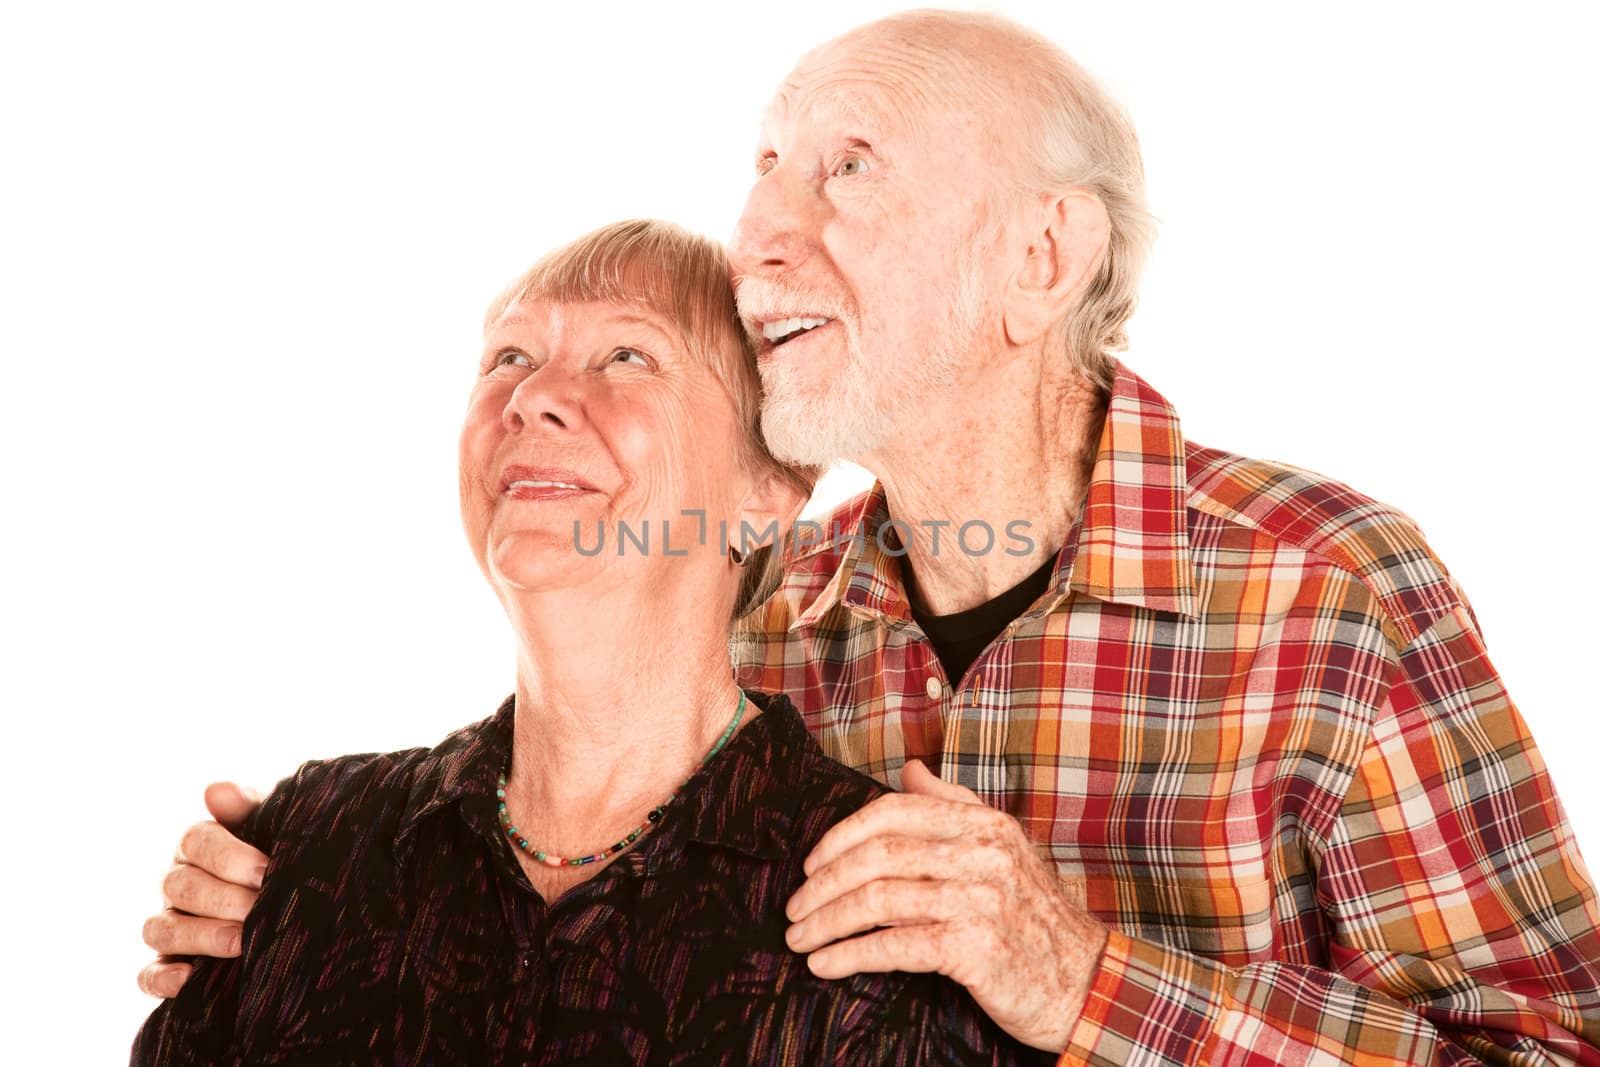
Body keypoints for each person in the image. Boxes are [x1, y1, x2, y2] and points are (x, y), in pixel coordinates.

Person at [143, 11, 1600, 1063]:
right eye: (766, 166)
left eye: (846, 167)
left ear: (1041, 256)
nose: (763, 228)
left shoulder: (1326, 591)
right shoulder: (773, 616)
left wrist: (1084, 976)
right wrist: (302, 891)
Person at [131, 219, 1046, 1064]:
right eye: (509, 357)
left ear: (768, 489)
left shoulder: (882, 910)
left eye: (625, 354)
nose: (532, 399)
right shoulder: (313, 840)